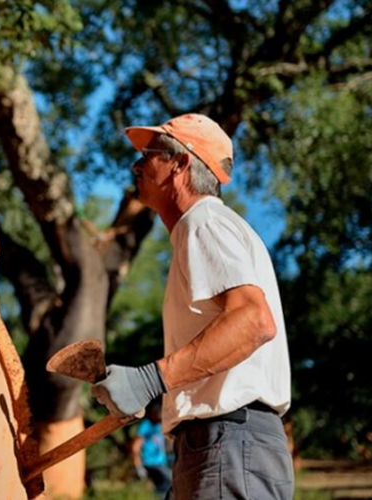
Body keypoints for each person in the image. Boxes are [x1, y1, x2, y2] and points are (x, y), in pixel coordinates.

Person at [92, 114, 294, 499]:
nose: (136, 165)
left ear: (180, 164)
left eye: (149, 154)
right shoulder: (206, 228)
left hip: (229, 442)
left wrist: (150, 380)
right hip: (222, 446)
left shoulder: (203, 222)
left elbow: (255, 321)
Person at [131, 400, 174, 499]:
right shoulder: (146, 425)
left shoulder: (159, 426)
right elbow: (135, 447)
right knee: (168, 482)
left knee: (166, 485)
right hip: (150, 462)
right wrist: (138, 466)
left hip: (160, 461)